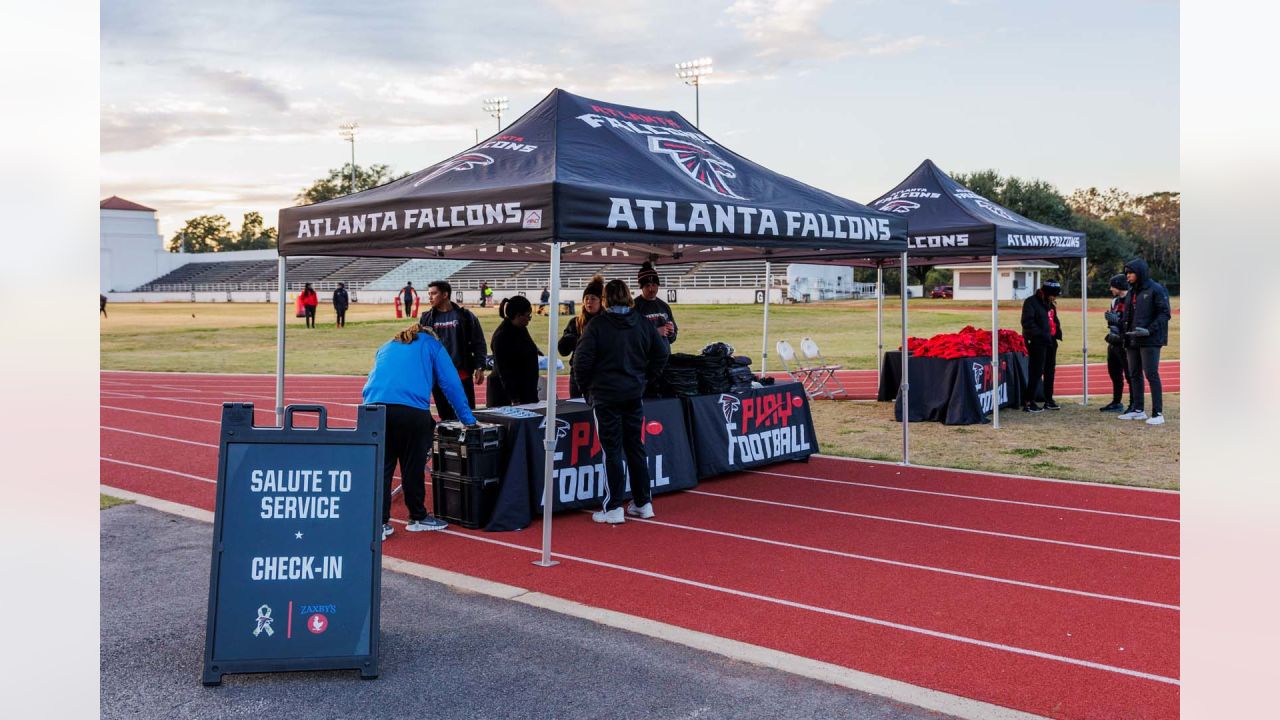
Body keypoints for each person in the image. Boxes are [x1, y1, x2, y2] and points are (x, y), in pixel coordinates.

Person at [362, 321, 478, 540]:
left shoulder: (386, 346)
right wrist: (467, 419)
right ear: (431, 334)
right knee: (412, 465)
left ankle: (378, 524)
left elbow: (374, 379)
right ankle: (418, 517)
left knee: (382, 467)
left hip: (373, 410)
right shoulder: (433, 345)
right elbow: (451, 383)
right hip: (410, 411)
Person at [572, 279, 670, 524]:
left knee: (612, 451)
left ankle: (614, 506)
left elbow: (580, 363)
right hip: (632, 395)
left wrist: (588, 391)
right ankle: (642, 502)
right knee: (635, 448)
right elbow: (662, 353)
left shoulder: (597, 326)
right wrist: (645, 379)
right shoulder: (641, 323)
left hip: (606, 397)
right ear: (628, 296)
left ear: (605, 299)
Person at [419, 280, 486, 420]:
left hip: (461, 374)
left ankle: (467, 442)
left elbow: (478, 342)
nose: (430, 297)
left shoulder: (465, 316)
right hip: (438, 377)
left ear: (445, 295)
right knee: (446, 419)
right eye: (429, 294)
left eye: (434, 293)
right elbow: (422, 346)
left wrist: (480, 366)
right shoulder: (426, 318)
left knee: (467, 416)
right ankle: (447, 443)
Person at [1118, 258, 1172, 425]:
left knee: (1151, 374)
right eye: (1126, 273)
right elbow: (1129, 316)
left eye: (1131, 273)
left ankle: (1158, 414)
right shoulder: (1131, 291)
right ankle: (1137, 410)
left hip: (1151, 339)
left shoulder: (1156, 289)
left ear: (1140, 273)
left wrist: (1149, 329)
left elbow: (1165, 313)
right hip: (1132, 338)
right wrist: (1118, 322)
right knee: (1134, 374)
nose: (1127, 276)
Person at [488, 295, 541, 406]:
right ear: (518, 315)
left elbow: (529, 347)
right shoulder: (501, 337)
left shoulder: (520, 328)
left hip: (524, 389)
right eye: (528, 316)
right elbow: (504, 371)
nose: (529, 320)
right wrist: (514, 398)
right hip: (506, 395)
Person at [558, 274, 605, 399]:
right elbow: (563, 351)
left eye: (593, 298)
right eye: (587, 298)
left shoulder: (607, 322)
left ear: (601, 301)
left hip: (600, 375)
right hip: (577, 375)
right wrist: (568, 340)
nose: (589, 301)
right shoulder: (575, 322)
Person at [1020, 279, 1063, 413]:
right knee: (1036, 371)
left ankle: (1048, 400)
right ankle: (1029, 401)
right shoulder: (1031, 302)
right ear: (1046, 292)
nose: (1055, 297)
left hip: (1050, 341)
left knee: (1050, 371)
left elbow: (1053, 320)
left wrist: (1056, 334)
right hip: (1037, 342)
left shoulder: (1050, 304)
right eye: (1053, 294)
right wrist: (1040, 335)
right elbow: (1027, 323)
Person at [1099, 274, 1131, 412]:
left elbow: (1132, 322)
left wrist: (1118, 321)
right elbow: (1114, 321)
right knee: (1114, 373)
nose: (1111, 288)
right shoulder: (1114, 301)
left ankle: (1134, 404)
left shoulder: (1132, 299)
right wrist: (1110, 321)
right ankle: (1116, 402)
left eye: (1113, 285)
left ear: (1120, 286)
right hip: (1114, 342)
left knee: (1130, 374)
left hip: (1126, 343)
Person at [633, 261, 677, 344]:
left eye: (653, 285)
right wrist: (655, 332)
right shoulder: (634, 306)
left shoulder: (664, 306)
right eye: (647, 285)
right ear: (641, 287)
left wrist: (671, 332)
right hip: (644, 356)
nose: (651, 289)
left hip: (665, 355)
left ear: (658, 285)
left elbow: (673, 338)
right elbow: (631, 336)